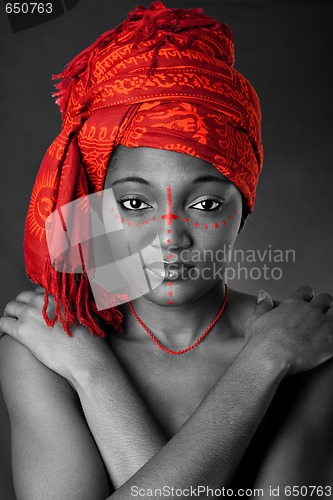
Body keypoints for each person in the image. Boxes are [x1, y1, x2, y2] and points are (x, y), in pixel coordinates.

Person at [0, 2, 333, 499]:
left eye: (203, 202)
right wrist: (261, 367)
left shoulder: (307, 345)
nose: (171, 237)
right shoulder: (44, 350)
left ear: (243, 209)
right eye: (135, 202)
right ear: (97, 206)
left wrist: (93, 377)